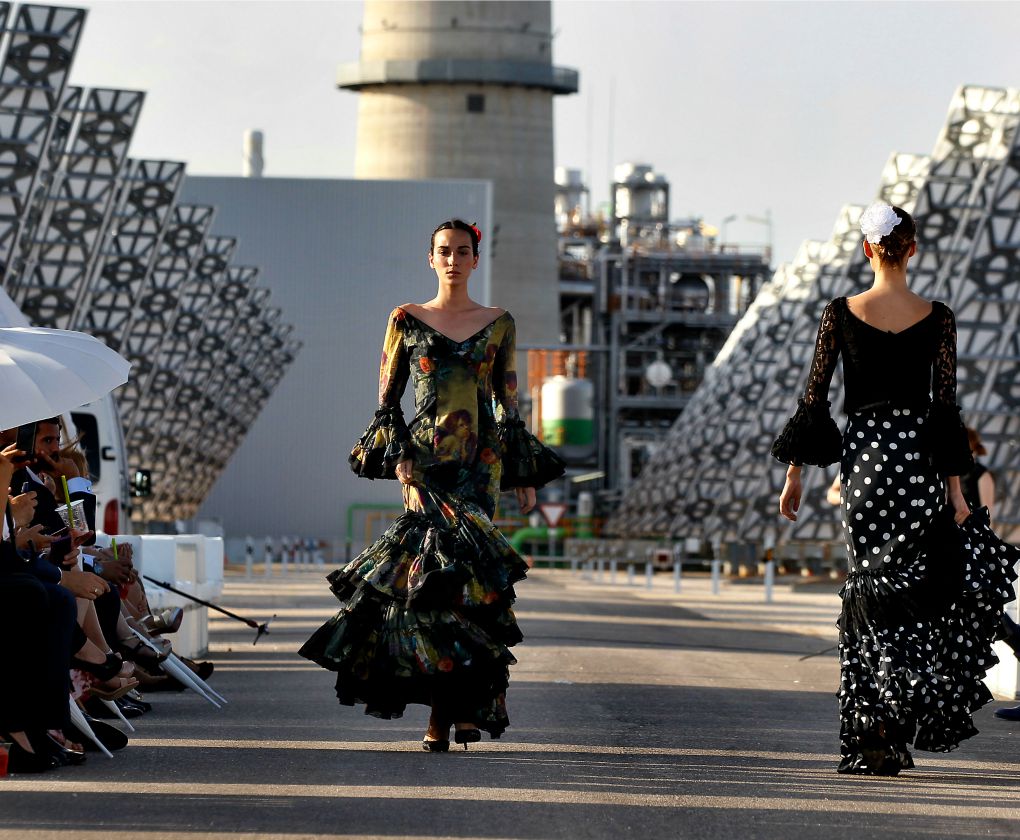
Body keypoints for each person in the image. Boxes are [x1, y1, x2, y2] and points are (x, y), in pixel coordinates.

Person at [772, 202, 1018, 775]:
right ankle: (904, 711)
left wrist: (794, 475)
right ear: (912, 249)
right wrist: (957, 493)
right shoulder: (940, 317)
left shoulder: (839, 313)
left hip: (863, 467)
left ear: (866, 250)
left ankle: (872, 733)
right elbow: (945, 413)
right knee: (920, 593)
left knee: (868, 590)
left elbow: (815, 400)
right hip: (916, 467)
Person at [300, 219, 564, 751]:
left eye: (462, 252)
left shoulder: (499, 323)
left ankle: (457, 714)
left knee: (472, 590)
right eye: (443, 251)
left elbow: (505, 402)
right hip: (423, 464)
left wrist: (522, 474)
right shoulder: (405, 319)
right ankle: (443, 717)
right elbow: (387, 399)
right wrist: (397, 455)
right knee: (428, 586)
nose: (452, 260)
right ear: (431, 258)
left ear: (474, 260)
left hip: (480, 464)